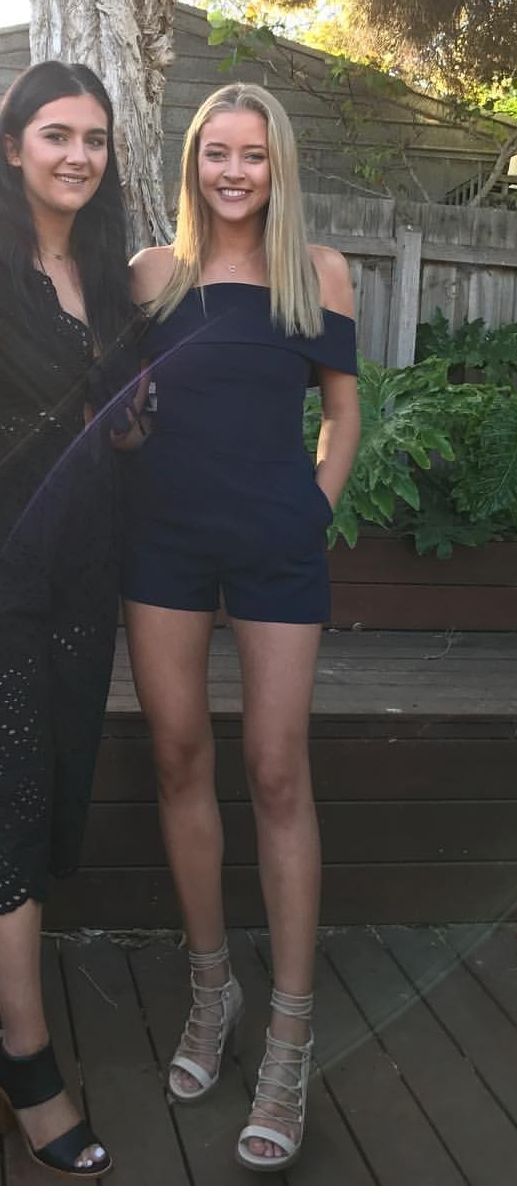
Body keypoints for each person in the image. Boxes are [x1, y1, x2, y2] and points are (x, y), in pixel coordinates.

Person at [122, 81, 360, 1172]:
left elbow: (342, 412)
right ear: (194, 164)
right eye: (215, 153)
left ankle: (291, 1038)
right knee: (178, 755)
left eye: (251, 155)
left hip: (276, 546)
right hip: (164, 546)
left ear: (278, 166)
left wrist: (314, 508)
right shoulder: (152, 275)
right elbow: (124, 417)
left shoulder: (319, 273)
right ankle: (211, 992)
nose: (232, 172)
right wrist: (125, 436)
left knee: (274, 769)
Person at [0, 61, 141, 1177]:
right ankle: (28, 1055)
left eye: (94, 138)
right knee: (15, 797)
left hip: (82, 575)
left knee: (48, 792)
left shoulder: (108, 276)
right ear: (12, 147)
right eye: (56, 134)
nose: (77, 155)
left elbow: (114, 427)